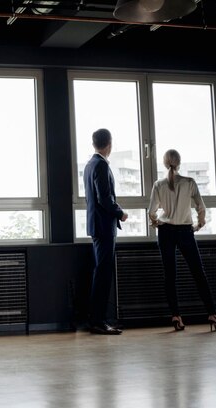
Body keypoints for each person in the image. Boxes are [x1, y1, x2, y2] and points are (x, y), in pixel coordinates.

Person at [148, 149, 216, 332]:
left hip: (165, 232)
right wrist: (198, 225)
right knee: (198, 273)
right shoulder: (189, 183)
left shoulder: (158, 185)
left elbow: (151, 212)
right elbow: (201, 208)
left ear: (165, 163)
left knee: (170, 276)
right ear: (179, 162)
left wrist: (157, 223)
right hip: (185, 231)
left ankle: (176, 317)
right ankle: (212, 315)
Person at [83, 128, 128, 335]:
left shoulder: (90, 165)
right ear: (109, 144)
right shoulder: (101, 165)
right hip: (103, 227)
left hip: (96, 226)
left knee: (100, 272)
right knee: (102, 274)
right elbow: (104, 197)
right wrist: (120, 213)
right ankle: (98, 321)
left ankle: (98, 320)